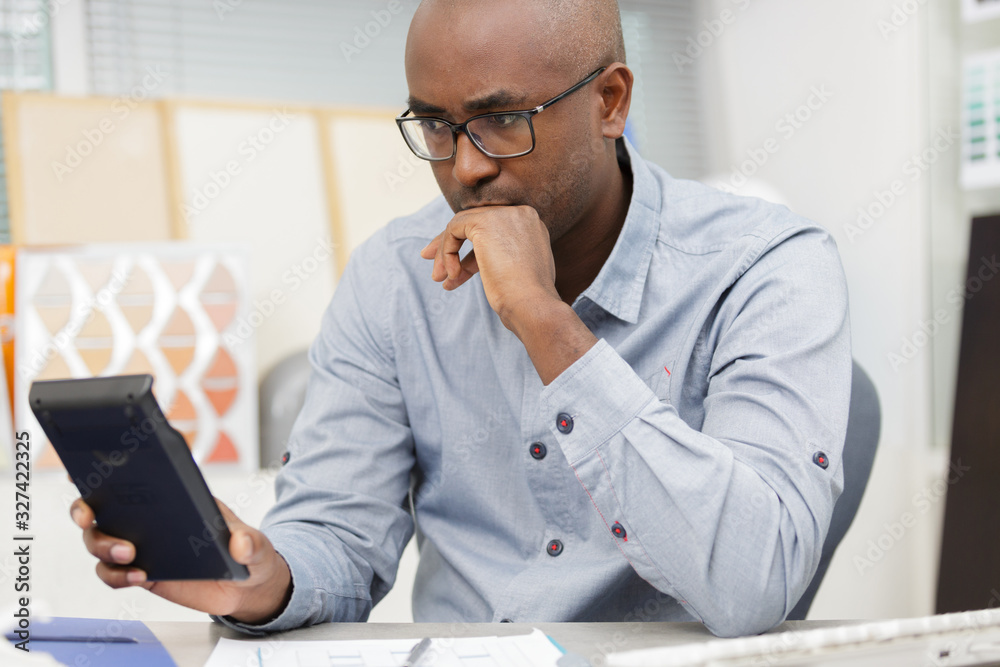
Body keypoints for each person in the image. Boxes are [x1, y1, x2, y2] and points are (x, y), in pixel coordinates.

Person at [71, 0, 851, 638]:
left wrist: (546, 323)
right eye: (437, 127)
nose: (467, 167)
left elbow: (757, 580)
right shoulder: (394, 277)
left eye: (504, 118)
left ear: (610, 101)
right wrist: (258, 580)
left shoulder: (766, 267)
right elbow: (337, 537)